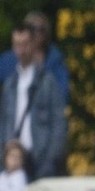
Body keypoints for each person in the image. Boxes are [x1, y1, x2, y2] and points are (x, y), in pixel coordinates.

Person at [0, 23, 66, 181]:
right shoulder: (9, 84)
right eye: (17, 45)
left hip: (39, 160)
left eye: (24, 44)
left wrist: (50, 159)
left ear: (33, 45)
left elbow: (58, 122)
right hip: (12, 161)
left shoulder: (48, 81)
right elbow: (3, 121)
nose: (21, 50)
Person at [0, 11, 69, 104]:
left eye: (41, 29)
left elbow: (62, 94)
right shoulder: (8, 59)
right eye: (32, 28)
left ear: (47, 32)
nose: (37, 33)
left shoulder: (55, 60)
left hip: (44, 114)